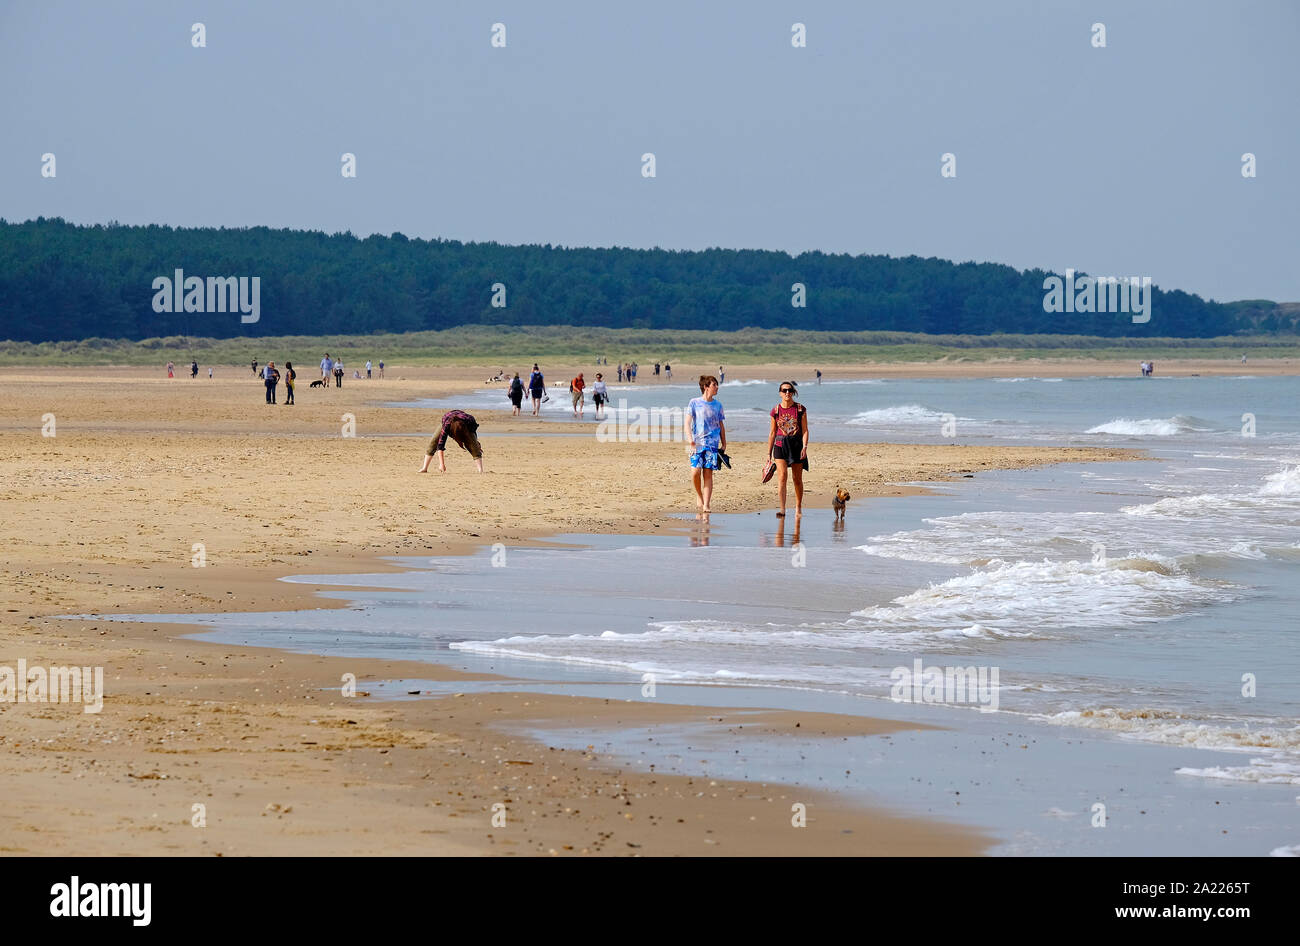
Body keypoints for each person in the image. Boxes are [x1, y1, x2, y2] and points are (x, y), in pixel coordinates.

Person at [766, 381, 810, 518]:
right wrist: (768, 454)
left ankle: (798, 507)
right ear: (780, 393)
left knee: (797, 479)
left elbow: (805, 430)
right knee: (782, 477)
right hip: (780, 445)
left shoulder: (800, 409)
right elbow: (772, 433)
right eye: (784, 390)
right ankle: (782, 509)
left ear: (793, 392)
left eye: (790, 390)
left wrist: (805, 446)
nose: (787, 393)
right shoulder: (776, 410)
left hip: (796, 445)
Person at [686, 375, 726, 515]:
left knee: (708, 474)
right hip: (696, 444)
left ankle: (706, 504)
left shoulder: (718, 405)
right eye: (714, 384)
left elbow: (721, 424)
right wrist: (690, 440)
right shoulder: (694, 402)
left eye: (716, 384)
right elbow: (687, 423)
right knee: (695, 472)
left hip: (712, 445)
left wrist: (724, 443)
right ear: (706, 386)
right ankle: (699, 495)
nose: (717, 387)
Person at [418, 409, 484, 473]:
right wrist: (441, 464)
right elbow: (440, 445)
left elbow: (473, 433)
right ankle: (424, 468)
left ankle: (480, 470)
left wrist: (476, 442)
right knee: (433, 441)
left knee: (474, 445)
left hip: (465, 424)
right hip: (448, 420)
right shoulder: (447, 425)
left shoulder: (470, 421)